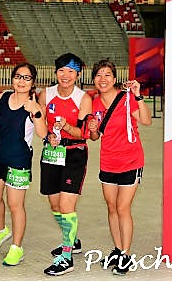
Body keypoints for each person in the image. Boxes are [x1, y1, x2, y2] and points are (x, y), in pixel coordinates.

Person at [87, 59, 152, 275]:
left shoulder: (126, 98)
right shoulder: (95, 103)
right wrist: (93, 129)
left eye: (107, 75)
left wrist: (138, 95)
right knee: (112, 207)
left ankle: (125, 255)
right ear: (94, 79)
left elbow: (146, 120)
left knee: (123, 207)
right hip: (108, 161)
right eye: (99, 75)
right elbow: (95, 137)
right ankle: (117, 249)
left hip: (131, 160)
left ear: (114, 79)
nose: (103, 79)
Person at [0, 63, 47, 266]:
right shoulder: (3, 97)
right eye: (18, 76)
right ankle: (1, 231)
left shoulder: (34, 106)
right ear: (12, 79)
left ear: (32, 82)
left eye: (26, 78)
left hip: (19, 161)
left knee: (15, 205)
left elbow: (43, 134)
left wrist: (36, 112)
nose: (21, 81)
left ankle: (16, 247)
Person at [38, 53, 92, 276]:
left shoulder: (83, 98)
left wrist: (67, 127)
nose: (66, 75)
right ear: (55, 72)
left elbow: (84, 133)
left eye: (71, 71)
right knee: (54, 205)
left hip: (74, 154)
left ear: (78, 75)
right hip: (52, 153)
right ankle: (73, 240)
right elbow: (40, 123)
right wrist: (47, 136)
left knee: (66, 205)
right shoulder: (46, 94)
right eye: (61, 70)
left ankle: (66, 257)